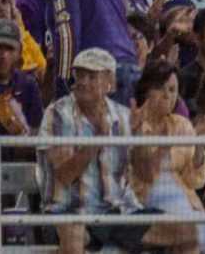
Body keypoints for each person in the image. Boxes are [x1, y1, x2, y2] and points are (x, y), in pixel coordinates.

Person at [43, 45, 141, 254]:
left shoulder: (124, 116)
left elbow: (142, 172)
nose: (83, 82)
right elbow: (64, 175)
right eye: (79, 75)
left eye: (92, 76)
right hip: (70, 212)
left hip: (119, 213)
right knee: (73, 236)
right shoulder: (57, 114)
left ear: (110, 83)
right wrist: (97, 141)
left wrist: (148, 137)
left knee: (183, 231)